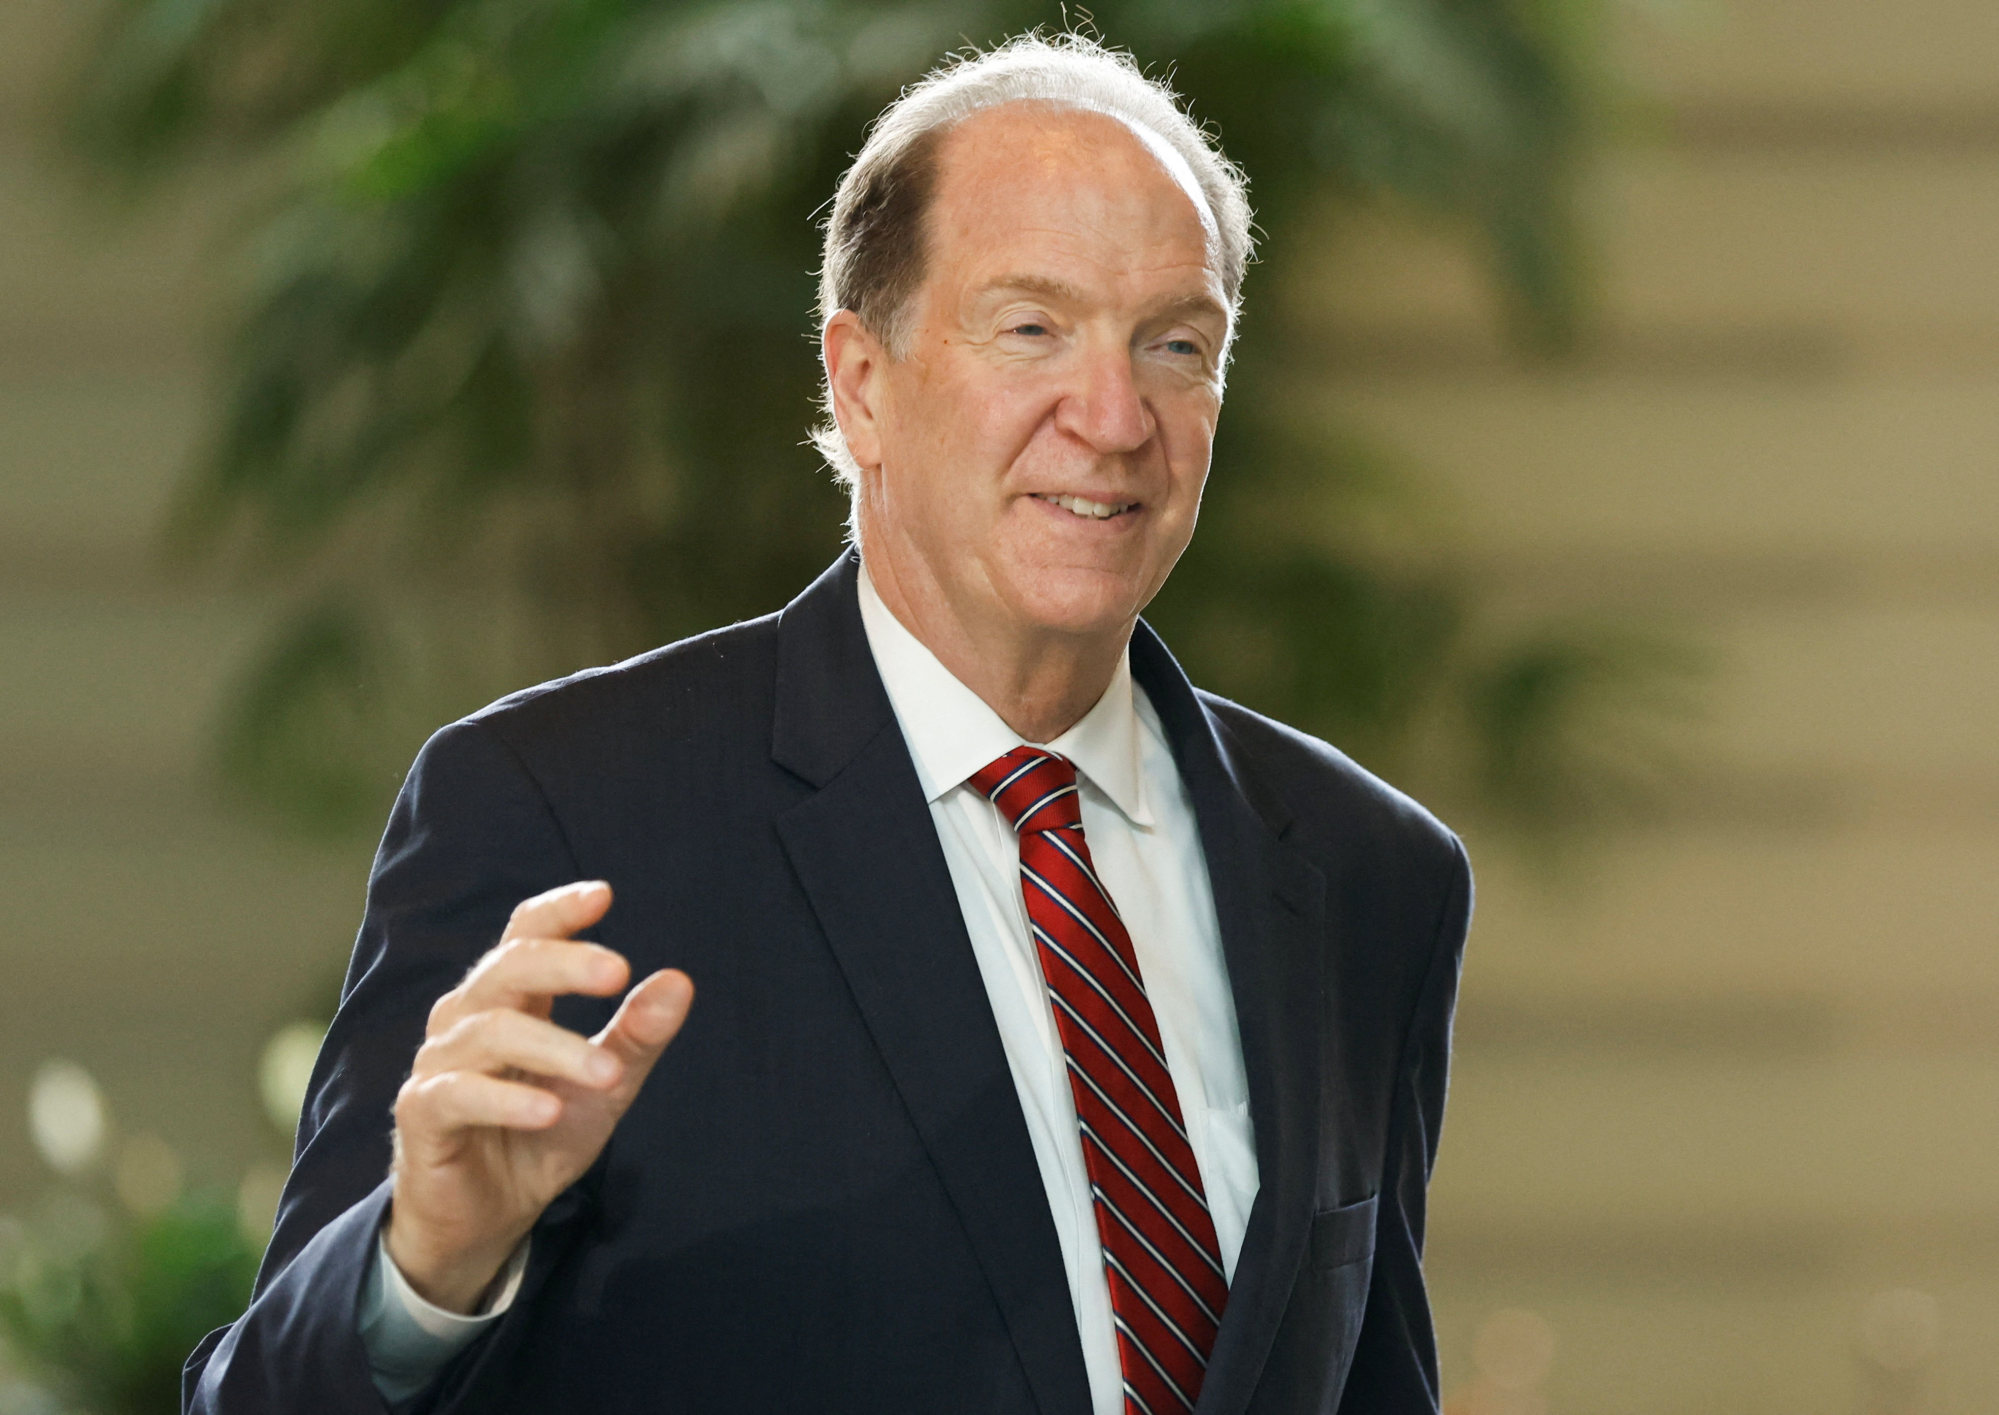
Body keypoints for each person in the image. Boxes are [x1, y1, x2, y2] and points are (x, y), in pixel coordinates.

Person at [184, 34, 1471, 1415]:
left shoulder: (1364, 874)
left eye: (1176, 345)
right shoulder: (564, 813)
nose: (1113, 418)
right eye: (1030, 327)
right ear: (861, 385)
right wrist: (425, 1273)